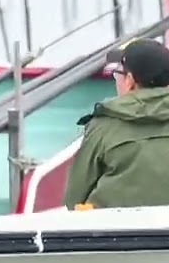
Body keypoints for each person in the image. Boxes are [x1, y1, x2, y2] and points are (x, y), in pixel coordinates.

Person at [63, 37, 169, 209]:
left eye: (117, 74)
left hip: (116, 233)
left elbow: (74, 199)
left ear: (130, 81)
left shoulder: (104, 125)